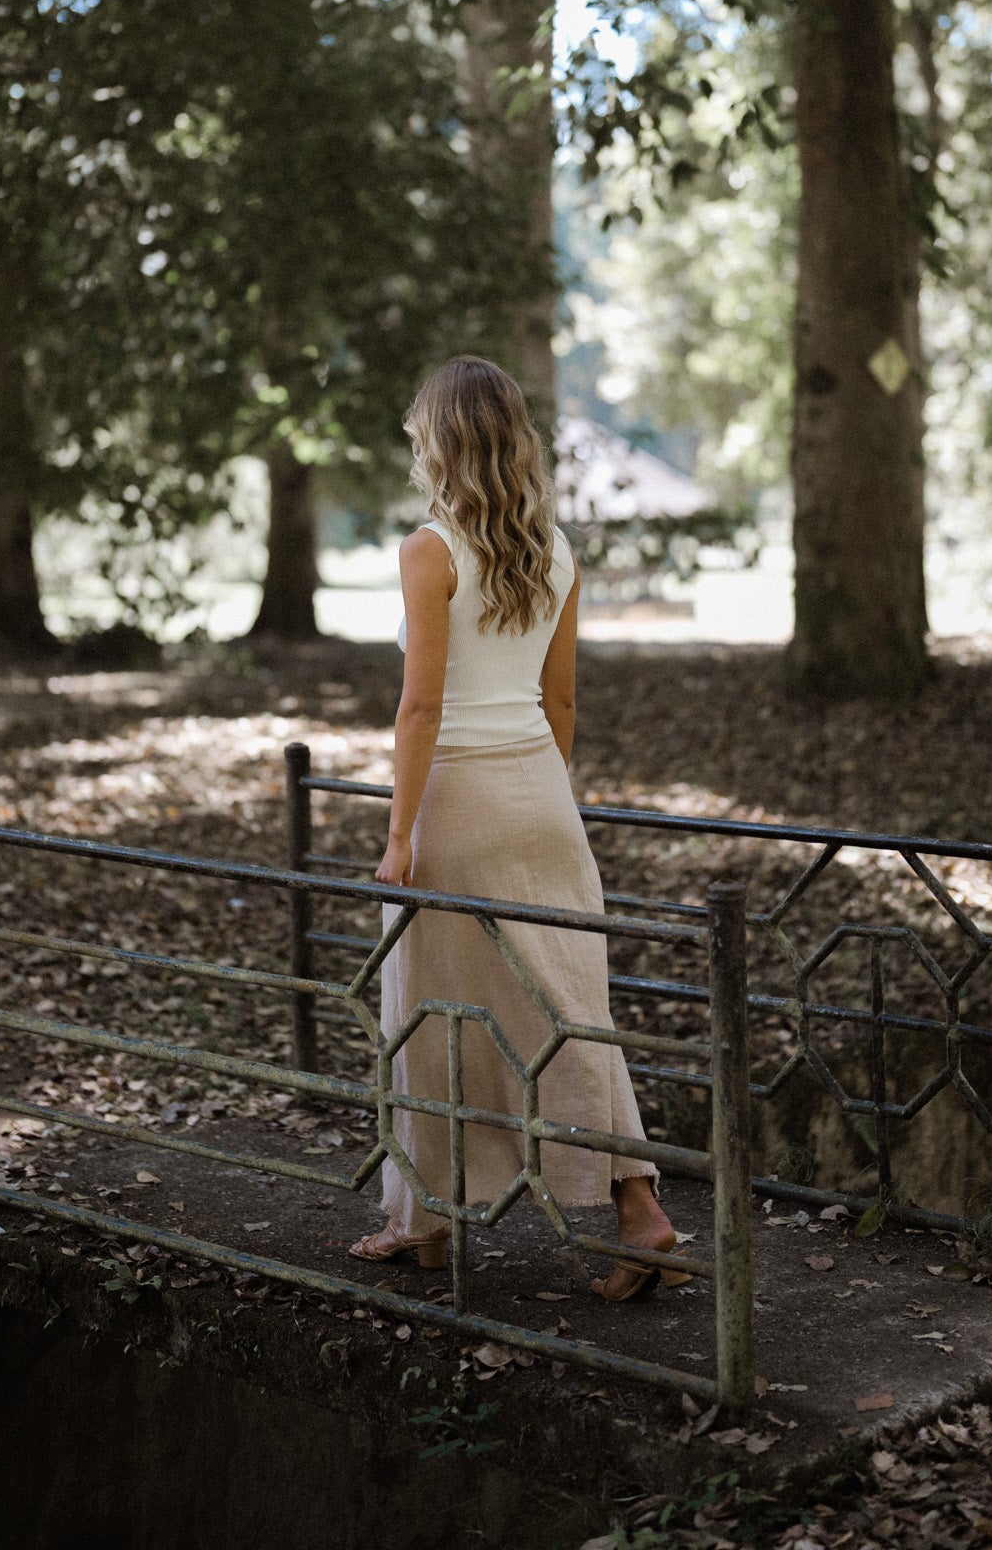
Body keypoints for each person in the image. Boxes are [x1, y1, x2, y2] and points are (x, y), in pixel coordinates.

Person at [348, 355, 683, 1301]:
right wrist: (542, 795)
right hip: (541, 795)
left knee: (430, 1013)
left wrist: (400, 835)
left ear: (439, 440)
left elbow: (419, 710)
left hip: (455, 800)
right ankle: (635, 1202)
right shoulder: (556, 550)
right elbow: (561, 697)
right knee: (569, 1009)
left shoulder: (430, 550)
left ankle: (422, 1221)